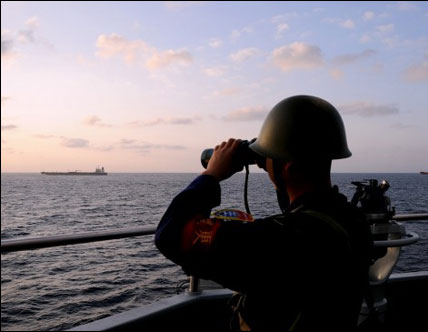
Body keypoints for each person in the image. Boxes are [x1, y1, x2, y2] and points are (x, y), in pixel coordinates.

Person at [155, 95, 373, 330]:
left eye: (268, 157)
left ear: (287, 165)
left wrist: (211, 175)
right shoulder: (352, 220)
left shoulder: (280, 241)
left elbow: (170, 234)